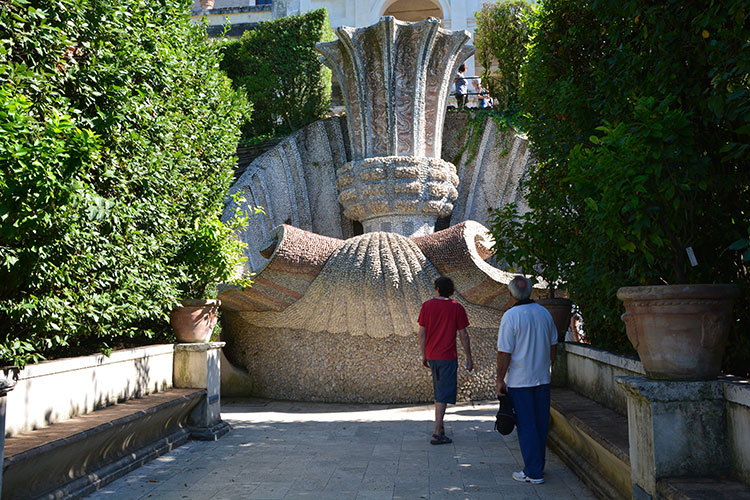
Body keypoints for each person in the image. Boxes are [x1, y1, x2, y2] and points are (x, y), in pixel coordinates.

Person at [496, 276, 557, 484]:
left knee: (527, 425)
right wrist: (549, 367)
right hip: (542, 379)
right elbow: (553, 345)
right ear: (530, 292)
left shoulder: (511, 316)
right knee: (540, 424)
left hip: (520, 381)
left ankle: (533, 471)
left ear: (510, 294)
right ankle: (537, 465)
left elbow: (504, 353)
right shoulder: (544, 314)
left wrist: (499, 379)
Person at [418, 276, 473, 445]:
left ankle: (440, 427)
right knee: (442, 394)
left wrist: (423, 354)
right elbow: (463, 335)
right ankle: (436, 433)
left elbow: (421, 332)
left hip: (432, 356)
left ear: (437, 289)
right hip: (448, 357)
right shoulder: (456, 307)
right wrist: (469, 356)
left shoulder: (427, 306)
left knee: (439, 392)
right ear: (450, 290)